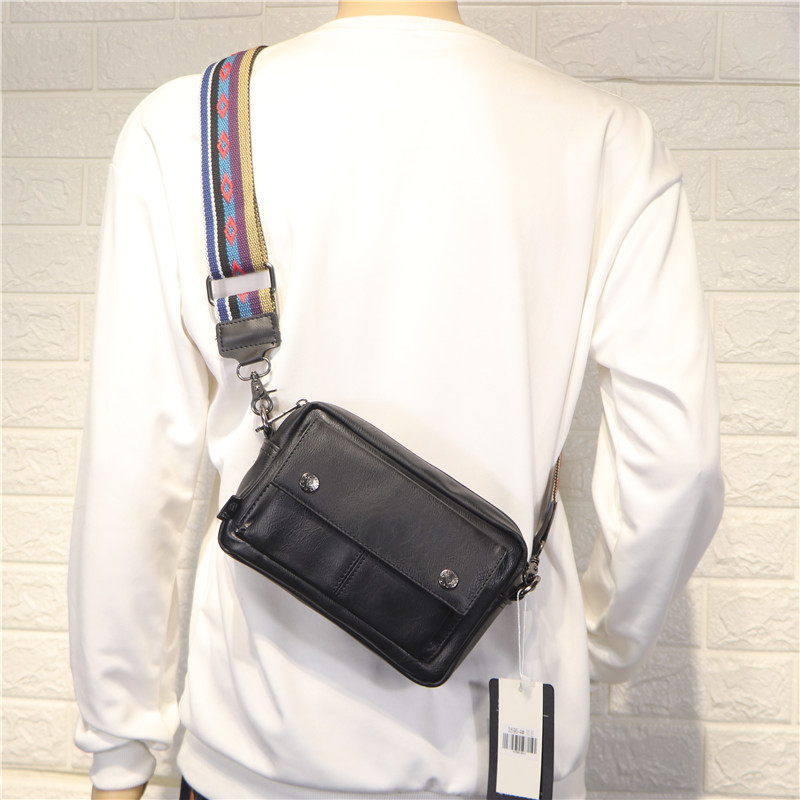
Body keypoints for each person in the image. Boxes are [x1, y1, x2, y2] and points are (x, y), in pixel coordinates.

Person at [69, 2, 725, 798]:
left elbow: (133, 472)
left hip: (258, 758)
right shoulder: (609, 140)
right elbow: (678, 467)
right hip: (506, 750)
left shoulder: (190, 128)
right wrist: (591, 644)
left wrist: (119, 752)